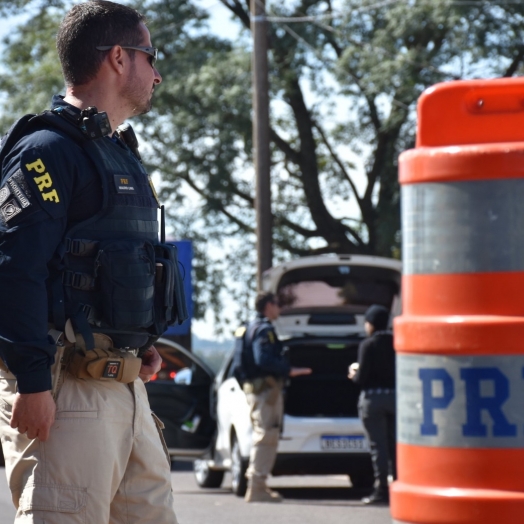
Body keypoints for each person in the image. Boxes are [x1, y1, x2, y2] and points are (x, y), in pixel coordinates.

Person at [0, 1, 182, 522]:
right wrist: (33, 383)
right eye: (151, 56)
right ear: (119, 58)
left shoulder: (120, 152)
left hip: (127, 393)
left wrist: (140, 344)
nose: (158, 72)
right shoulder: (45, 151)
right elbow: (15, 271)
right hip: (66, 392)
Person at [240, 292, 311, 503]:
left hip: (256, 390)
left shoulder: (248, 326)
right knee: (266, 436)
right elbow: (263, 359)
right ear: (268, 306)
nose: (280, 309)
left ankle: (258, 484)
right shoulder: (264, 330)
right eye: (278, 304)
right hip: (266, 392)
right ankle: (257, 486)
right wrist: (288, 370)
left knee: (264, 435)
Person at [348, 304, 396, 505]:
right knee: (394, 445)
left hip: (373, 400)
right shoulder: (396, 342)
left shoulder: (368, 345)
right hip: (395, 399)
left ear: (371, 324)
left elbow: (361, 378)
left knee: (378, 446)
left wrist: (353, 374)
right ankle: (399, 485)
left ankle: (381, 489)